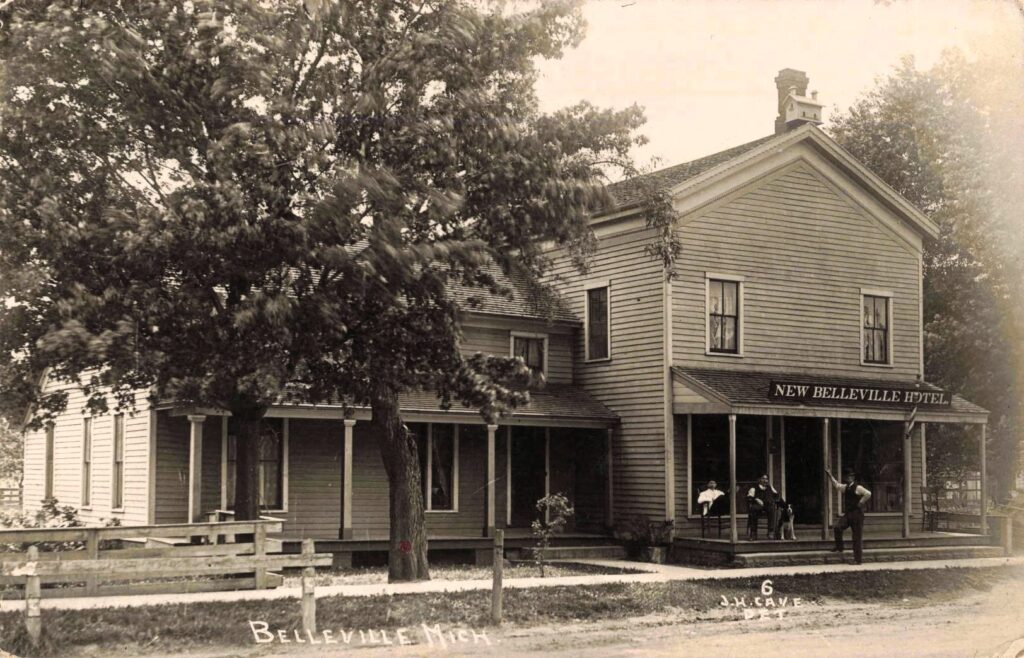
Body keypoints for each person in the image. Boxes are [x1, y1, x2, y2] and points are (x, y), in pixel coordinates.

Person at [826, 468, 872, 564]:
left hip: (857, 515)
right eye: (846, 477)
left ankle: (858, 560)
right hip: (848, 514)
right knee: (837, 528)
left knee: (856, 538)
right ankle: (840, 547)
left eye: (850, 477)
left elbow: (868, 493)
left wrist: (861, 502)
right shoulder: (845, 487)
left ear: (853, 478)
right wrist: (830, 475)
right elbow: (837, 485)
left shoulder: (858, 487)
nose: (848, 478)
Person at [746, 474, 779, 540]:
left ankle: (770, 531)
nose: (765, 481)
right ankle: (753, 532)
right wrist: (756, 499)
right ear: (759, 480)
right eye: (763, 479)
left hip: (767, 506)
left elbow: (776, 495)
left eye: (766, 479)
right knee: (753, 509)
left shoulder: (769, 487)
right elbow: (748, 497)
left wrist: (773, 499)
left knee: (772, 509)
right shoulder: (754, 488)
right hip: (758, 506)